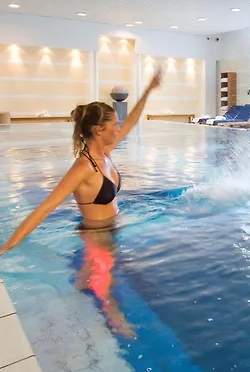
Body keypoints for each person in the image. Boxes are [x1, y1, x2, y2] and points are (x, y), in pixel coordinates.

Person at [0, 69, 162, 256]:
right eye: (114, 125)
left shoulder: (105, 153)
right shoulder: (84, 167)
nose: (119, 129)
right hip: (97, 238)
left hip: (115, 227)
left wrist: (148, 90)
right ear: (99, 130)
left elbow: (131, 122)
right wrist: (6, 248)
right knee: (104, 276)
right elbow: (45, 208)